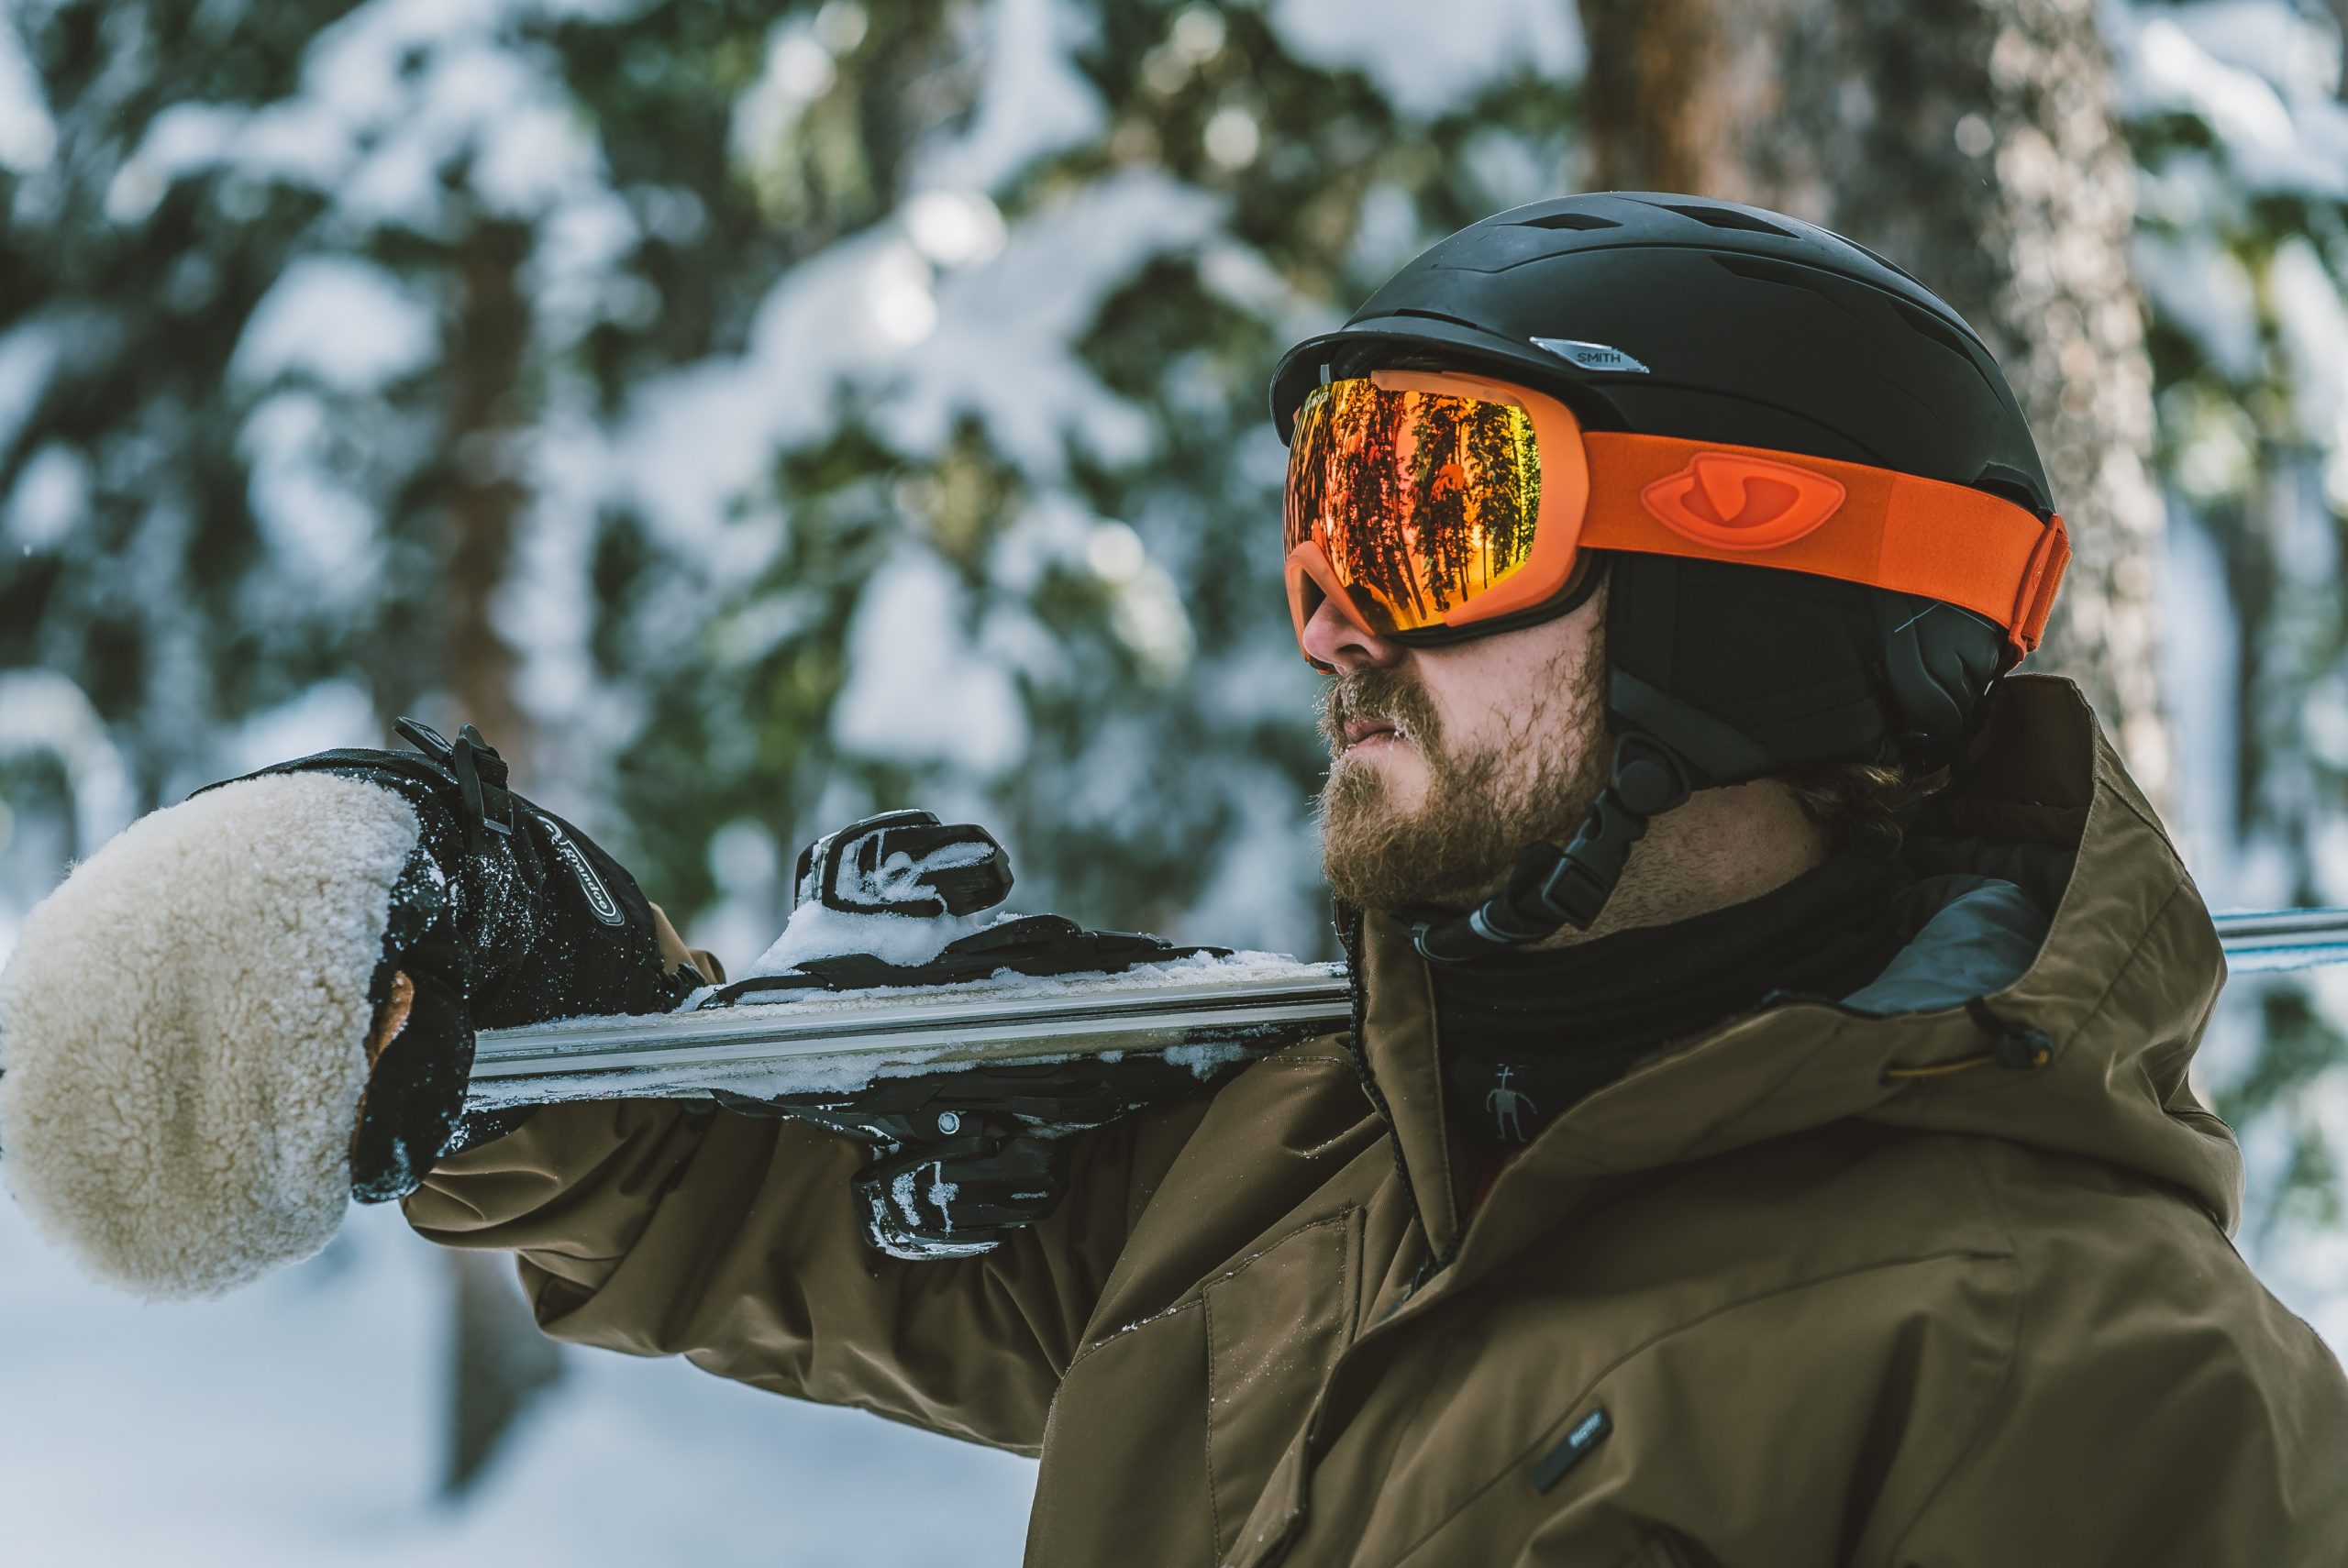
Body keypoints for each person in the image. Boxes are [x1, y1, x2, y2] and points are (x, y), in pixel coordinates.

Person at [6, 193, 2345, 1564]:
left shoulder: (2101, 1387)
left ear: (1758, 579)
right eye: (1323, 519)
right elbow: (772, 1217)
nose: (1333, 613)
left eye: (1432, 515)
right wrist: (510, 988)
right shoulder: (1328, 1151)